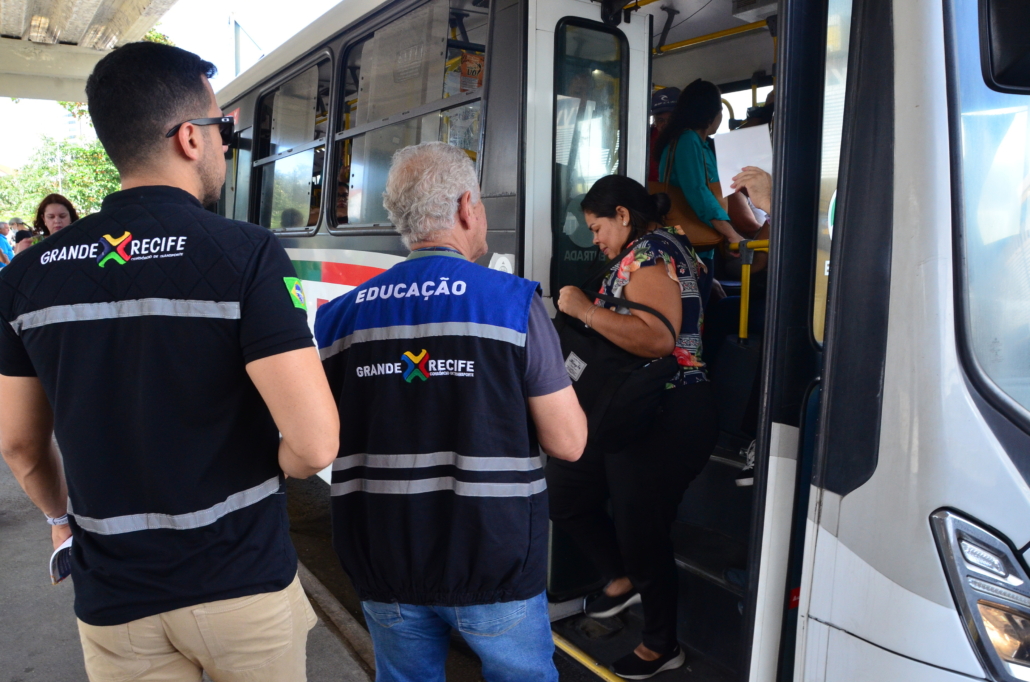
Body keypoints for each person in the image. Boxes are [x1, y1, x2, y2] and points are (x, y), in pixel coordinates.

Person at [0, 41, 340, 681]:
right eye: (222, 132)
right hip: (241, 580)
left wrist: (59, 520)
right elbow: (315, 443)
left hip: (115, 595)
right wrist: (277, 463)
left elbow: (20, 445)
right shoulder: (247, 254)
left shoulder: (25, 277)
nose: (224, 148)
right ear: (189, 137)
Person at [315, 141, 587, 682]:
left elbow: (317, 438)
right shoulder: (513, 303)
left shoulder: (339, 317)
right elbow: (569, 442)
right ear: (466, 207)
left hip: (383, 555)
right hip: (493, 557)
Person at [550, 175, 719, 680]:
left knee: (642, 529)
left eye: (597, 227)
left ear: (623, 215)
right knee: (566, 493)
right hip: (633, 408)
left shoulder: (650, 255)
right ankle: (619, 578)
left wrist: (583, 309)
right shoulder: (657, 249)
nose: (595, 240)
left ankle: (661, 645)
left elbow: (658, 339)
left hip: (668, 410)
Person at [654, 79, 749, 307]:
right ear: (711, 114)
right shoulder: (687, 141)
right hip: (686, 247)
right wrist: (731, 233)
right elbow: (698, 193)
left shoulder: (700, 143)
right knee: (691, 316)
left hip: (701, 247)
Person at [647, 87, 680, 181]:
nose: (665, 124)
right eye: (660, 120)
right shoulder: (645, 138)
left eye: (671, 119)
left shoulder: (690, 141)